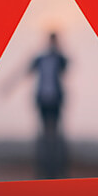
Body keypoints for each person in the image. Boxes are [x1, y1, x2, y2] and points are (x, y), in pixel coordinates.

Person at [30, 32, 68, 178]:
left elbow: (66, 66)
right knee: (45, 135)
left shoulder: (59, 58)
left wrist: (59, 50)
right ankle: (44, 169)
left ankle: (56, 169)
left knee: (55, 135)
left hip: (55, 101)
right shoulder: (40, 58)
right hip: (43, 101)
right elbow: (29, 69)